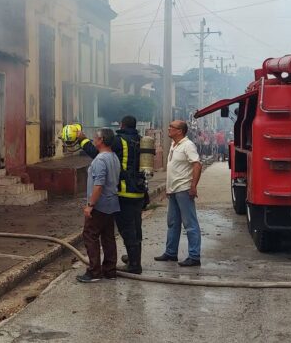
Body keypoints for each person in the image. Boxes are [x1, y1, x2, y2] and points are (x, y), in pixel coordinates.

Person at [78, 116, 147, 274]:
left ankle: (134, 265)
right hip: (139, 191)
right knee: (135, 229)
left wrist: (82, 141)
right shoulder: (140, 139)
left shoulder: (119, 141)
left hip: (123, 193)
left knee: (126, 230)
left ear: (121, 124)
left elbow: (98, 152)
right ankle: (130, 260)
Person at [155, 120, 203, 267]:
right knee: (173, 223)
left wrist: (193, 186)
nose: (168, 128)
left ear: (180, 131)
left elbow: (197, 164)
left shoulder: (188, 145)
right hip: (174, 190)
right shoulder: (174, 145)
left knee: (190, 224)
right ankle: (171, 253)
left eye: (172, 127)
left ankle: (194, 256)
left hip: (183, 189)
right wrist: (168, 189)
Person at [77, 128, 121, 283]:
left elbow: (99, 184)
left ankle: (94, 272)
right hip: (112, 203)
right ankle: (110, 270)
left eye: (95, 137)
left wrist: (90, 205)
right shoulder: (114, 157)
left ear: (101, 140)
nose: (93, 139)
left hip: (100, 205)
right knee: (108, 237)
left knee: (90, 235)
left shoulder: (100, 160)